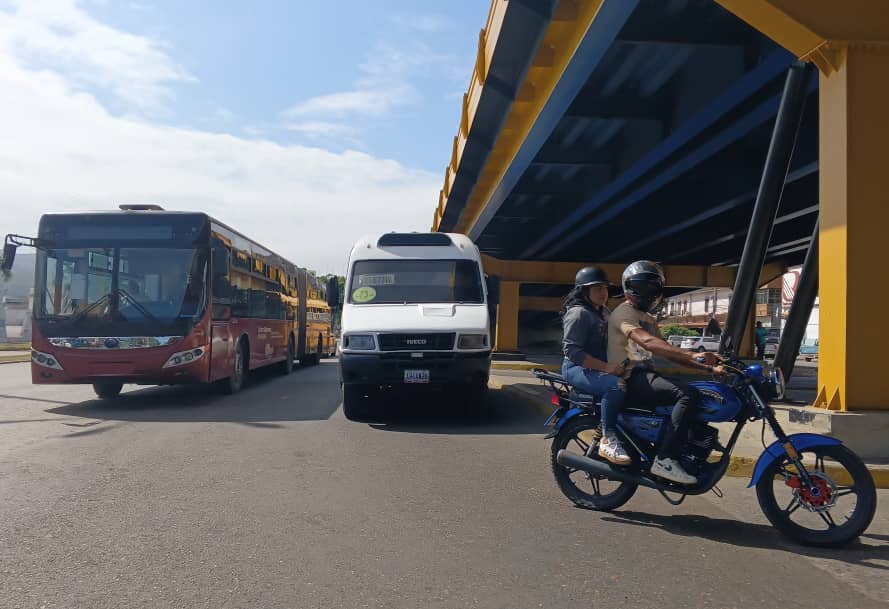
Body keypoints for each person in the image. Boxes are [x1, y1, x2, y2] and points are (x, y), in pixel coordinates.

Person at [609, 261, 723, 485]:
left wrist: (709, 368)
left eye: (652, 287)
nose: (647, 292)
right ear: (629, 287)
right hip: (628, 377)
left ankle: (685, 449)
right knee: (687, 394)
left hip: (645, 374)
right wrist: (692, 355)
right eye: (642, 287)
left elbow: (668, 352)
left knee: (699, 392)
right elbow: (648, 342)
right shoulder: (624, 313)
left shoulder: (648, 318)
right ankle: (665, 459)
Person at [561, 266, 629, 465]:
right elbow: (572, 351)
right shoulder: (578, 314)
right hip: (575, 368)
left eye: (605, 288)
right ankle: (608, 438)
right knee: (615, 386)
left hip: (598, 366)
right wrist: (606, 368)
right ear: (584, 291)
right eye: (597, 288)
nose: (603, 292)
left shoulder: (603, 312)